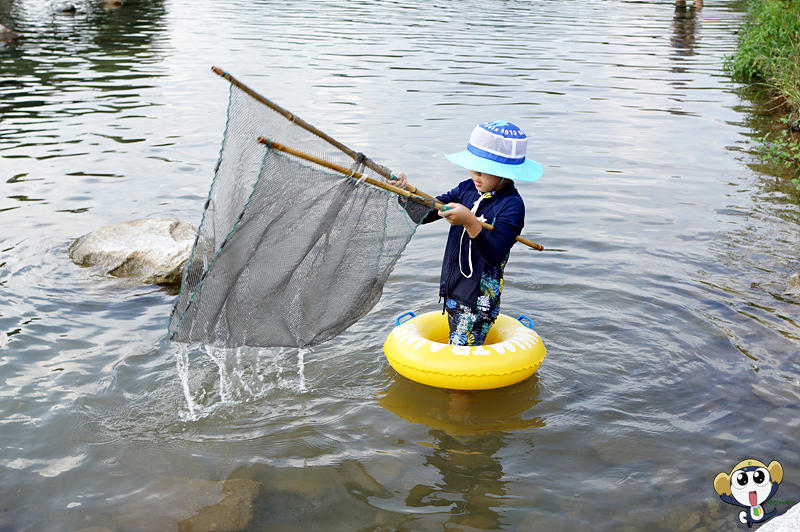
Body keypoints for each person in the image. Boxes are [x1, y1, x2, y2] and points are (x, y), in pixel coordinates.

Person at [394, 120, 543, 346]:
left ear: (505, 171)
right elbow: (427, 214)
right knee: (456, 349)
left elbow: (493, 255)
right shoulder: (466, 188)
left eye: (485, 169)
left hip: (478, 301)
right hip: (455, 290)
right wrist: (405, 193)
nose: (476, 173)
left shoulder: (512, 205)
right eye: (473, 165)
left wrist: (470, 222)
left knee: (461, 357)